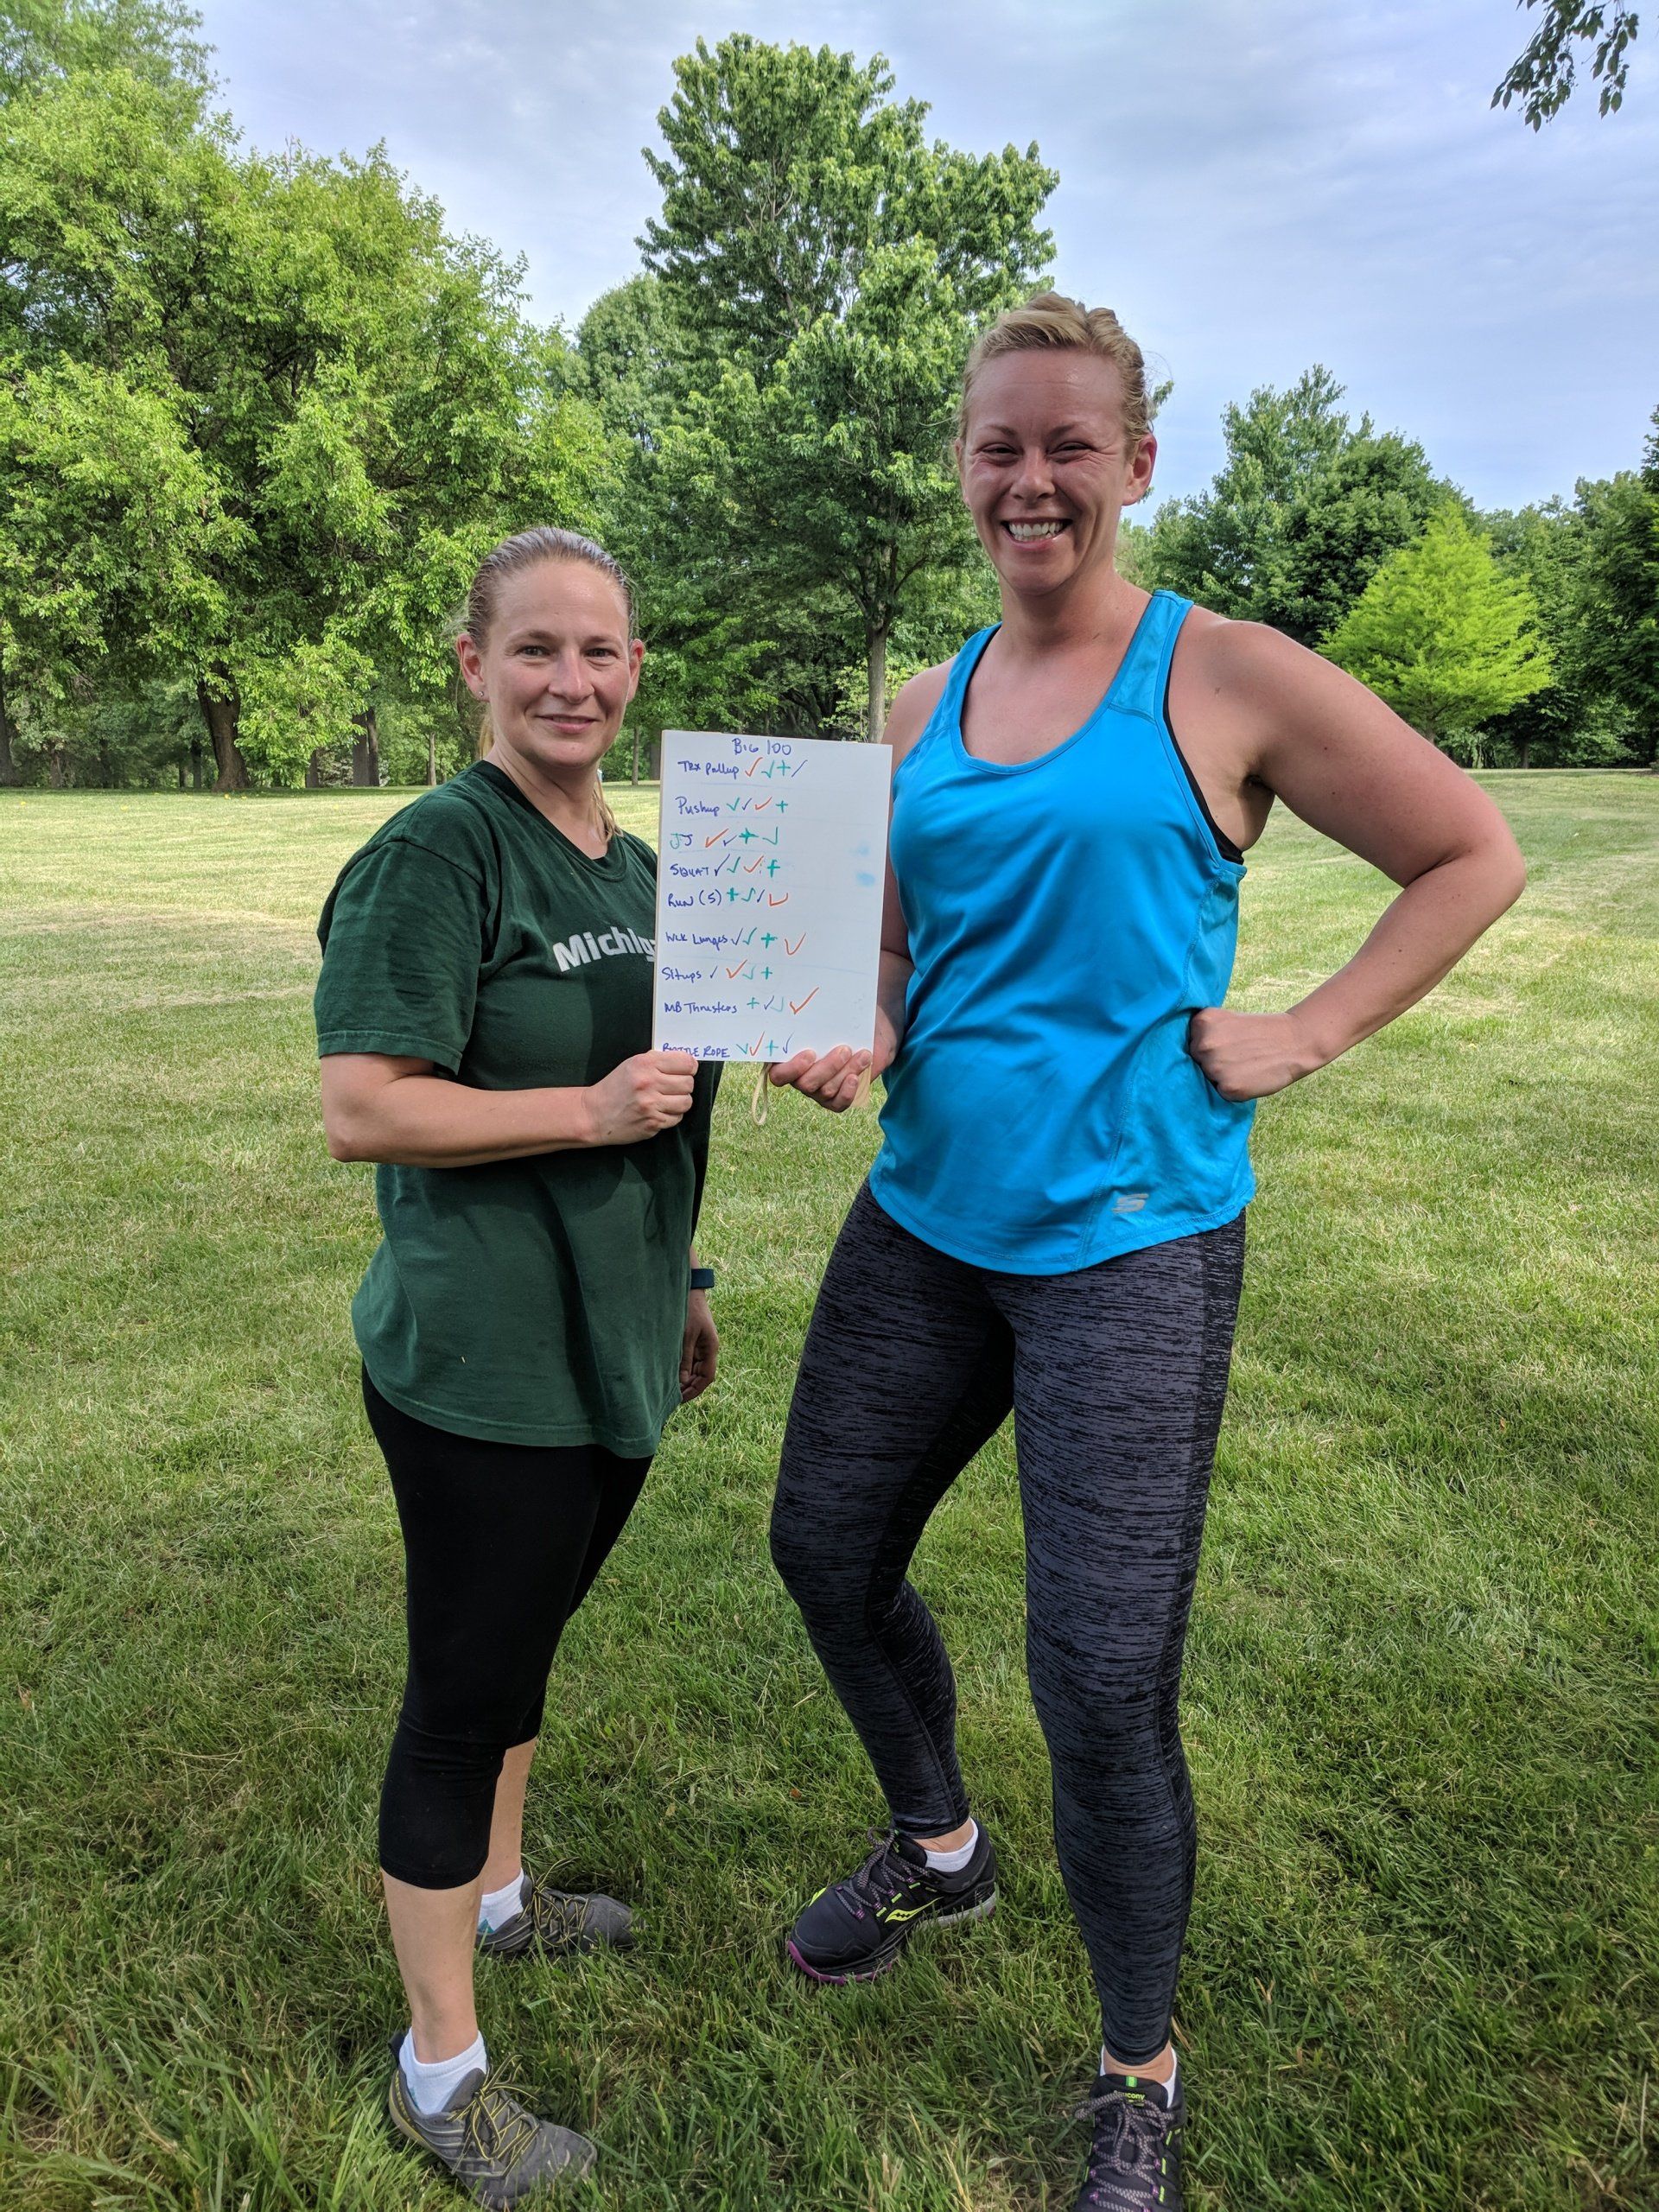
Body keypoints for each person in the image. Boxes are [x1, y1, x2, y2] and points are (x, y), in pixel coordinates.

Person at [766, 295, 1525, 2212]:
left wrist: (1311, 1028)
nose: (1031, 478)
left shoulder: (1228, 673)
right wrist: (863, 1021)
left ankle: (1136, 2063)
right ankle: (940, 1847)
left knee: (1103, 1677)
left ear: (1135, 463)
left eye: (1067, 446)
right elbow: (890, 946)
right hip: (930, 1217)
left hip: (1131, 1243)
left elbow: (1470, 852)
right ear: (963, 465)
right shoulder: (919, 706)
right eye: (997, 445)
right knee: (825, 1544)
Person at [314, 527, 720, 2208]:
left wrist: (681, 1273)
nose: (573, 680)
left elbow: (678, 1086)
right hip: (484, 1365)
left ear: (636, 672)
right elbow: (367, 1104)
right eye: (537, 648)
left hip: (611, 1339)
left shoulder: (634, 869)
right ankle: (440, 2073)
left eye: (602, 652)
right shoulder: (435, 855)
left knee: (528, 1642)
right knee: (462, 1692)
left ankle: (501, 1892)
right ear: (472, 661)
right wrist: (583, 1109)